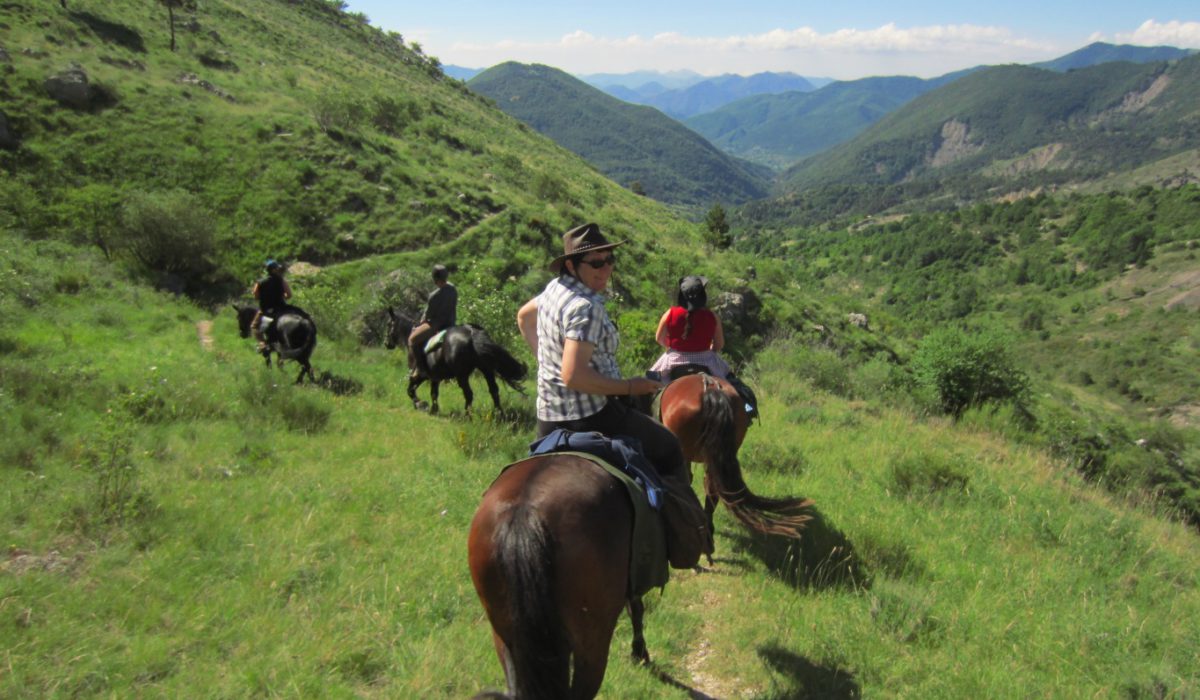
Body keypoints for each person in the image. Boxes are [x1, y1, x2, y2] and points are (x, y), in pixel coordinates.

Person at [516, 223, 709, 569]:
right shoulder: (585, 306)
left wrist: (546, 362)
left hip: (548, 418)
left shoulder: (553, 289)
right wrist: (632, 387)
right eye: (596, 263)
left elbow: (523, 317)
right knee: (668, 447)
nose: (606, 269)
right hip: (592, 414)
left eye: (610, 260)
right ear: (571, 265)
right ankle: (681, 539)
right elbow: (574, 375)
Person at [648, 275, 759, 418]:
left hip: (674, 358)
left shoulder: (670, 313)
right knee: (733, 382)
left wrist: (672, 346)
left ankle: (644, 415)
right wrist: (709, 349)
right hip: (707, 359)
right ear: (702, 296)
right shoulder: (712, 316)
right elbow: (719, 345)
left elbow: (659, 338)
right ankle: (748, 408)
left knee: (648, 384)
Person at [408, 263, 458, 379]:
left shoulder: (434, 295)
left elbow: (428, 316)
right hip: (451, 323)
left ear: (435, 279)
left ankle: (420, 370)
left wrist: (420, 324)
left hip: (437, 325)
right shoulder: (453, 289)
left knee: (413, 339)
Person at [252, 259, 292, 354]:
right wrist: (283, 296)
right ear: (274, 270)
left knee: (255, 327)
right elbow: (289, 295)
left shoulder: (259, 282)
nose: (278, 270)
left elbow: (256, 296)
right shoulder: (281, 280)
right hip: (281, 309)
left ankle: (262, 344)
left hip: (267, 311)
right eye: (277, 268)